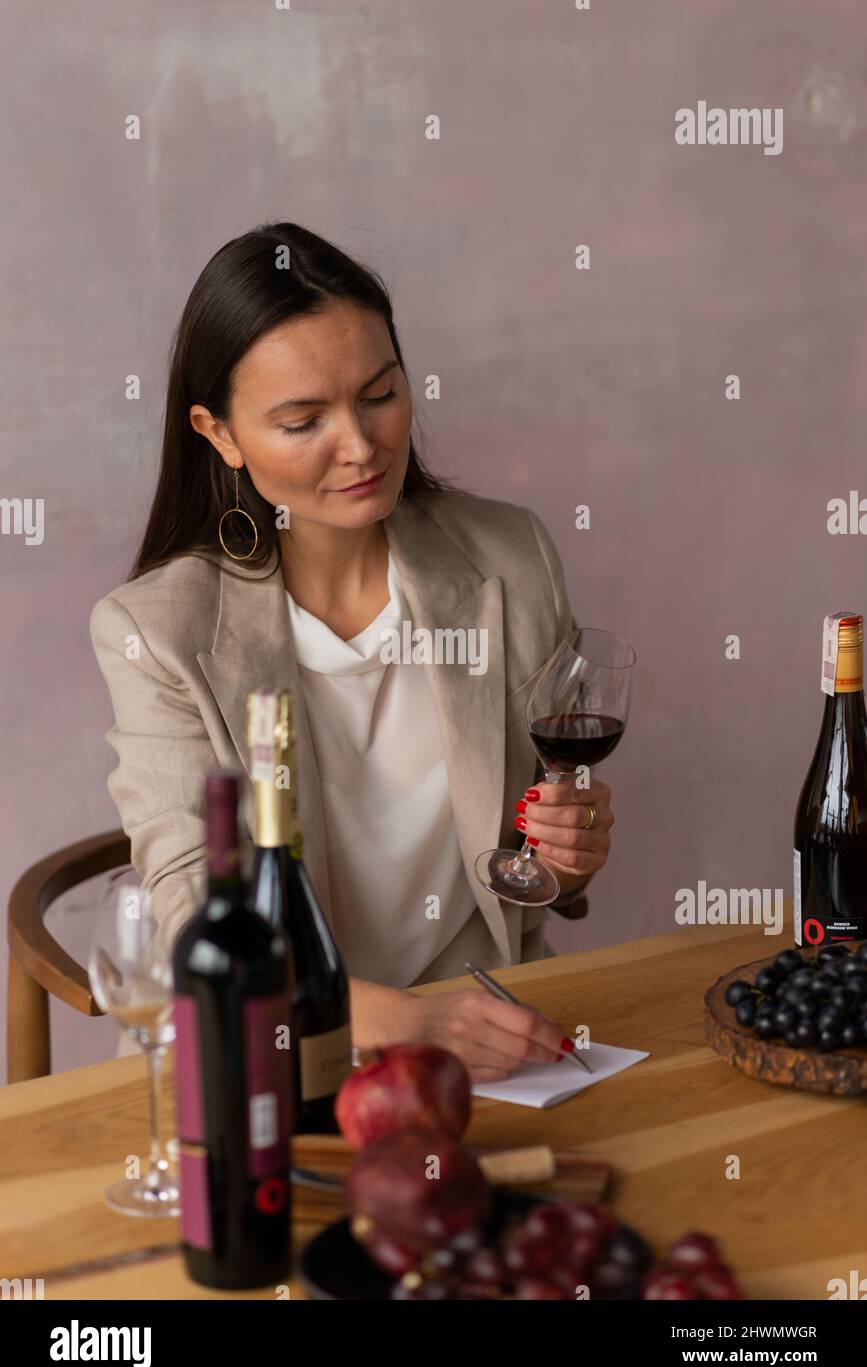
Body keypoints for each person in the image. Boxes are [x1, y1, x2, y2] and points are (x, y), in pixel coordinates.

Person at [89, 221, 615, 1081]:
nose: (362, 446)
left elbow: (530, 868)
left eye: (379, 395)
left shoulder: (509, 558)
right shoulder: (157, 632)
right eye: (302, 421)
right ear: (218, 435)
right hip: (262, 1058)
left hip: (481, 1041)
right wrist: (408, 1022)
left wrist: (558, 857)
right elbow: (194, 920)